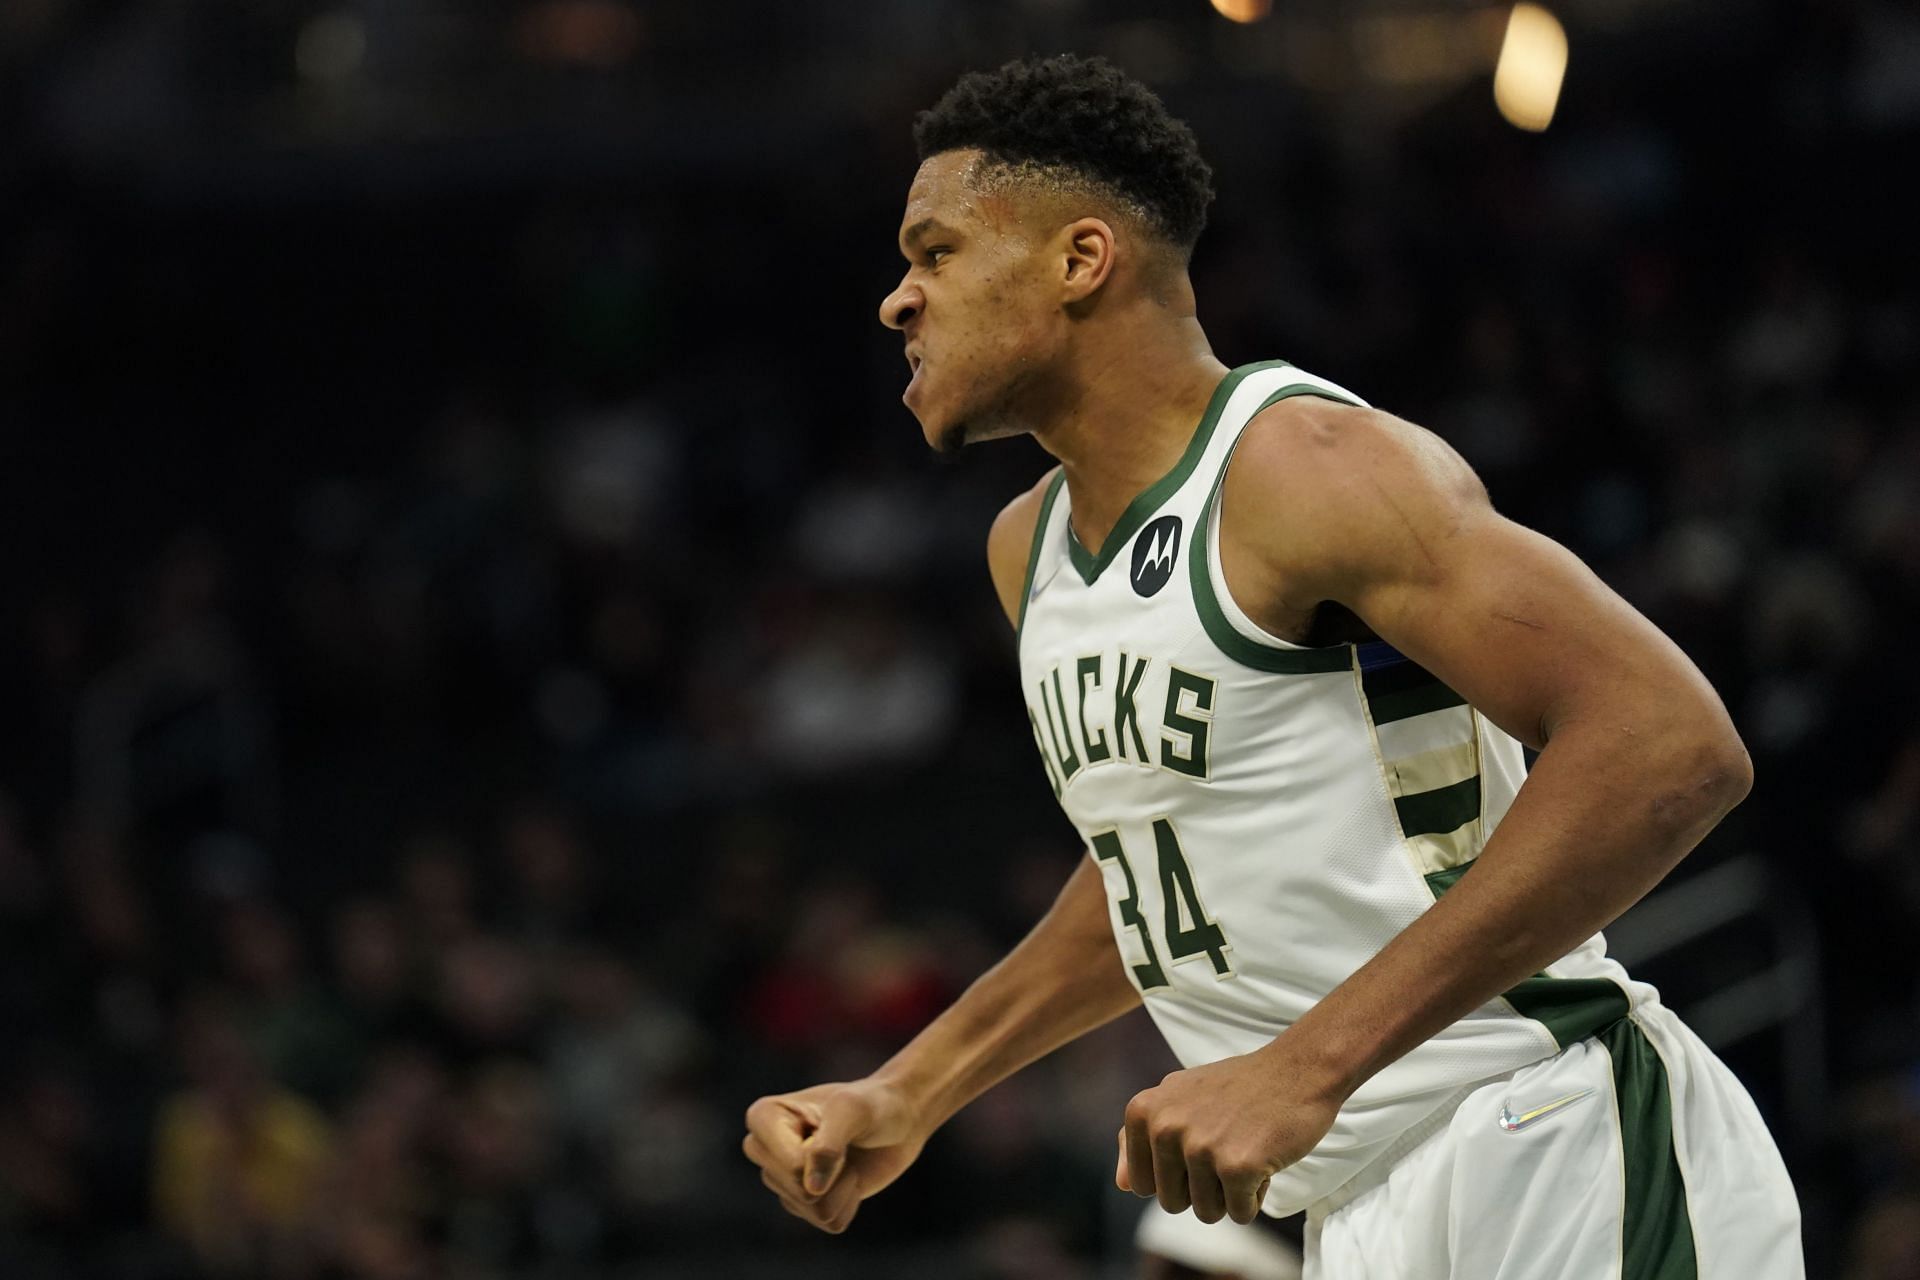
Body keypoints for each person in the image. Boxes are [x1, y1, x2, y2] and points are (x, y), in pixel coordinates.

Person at [742, 53, 1803, 1278]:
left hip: (1548, 1133)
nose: (898, 299)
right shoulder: (1024, 551)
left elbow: (1671, 747)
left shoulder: (1301, 464)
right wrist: (911, 1089)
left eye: (934, 252)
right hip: (1355, 1203)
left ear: (1082, 260)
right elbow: (1157, 864)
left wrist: (1306, 1063)